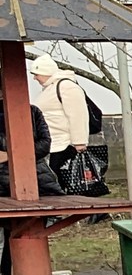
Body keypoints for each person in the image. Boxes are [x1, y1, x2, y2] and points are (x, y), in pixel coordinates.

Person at [29, 55, 91, 190]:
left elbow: (78, 115)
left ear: (45, 72)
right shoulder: (50, 88)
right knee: (58, 182)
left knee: (65, 182)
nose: (34, 78)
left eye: (36, 74)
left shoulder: (66, 87)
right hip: (54, 144)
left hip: (65, 145)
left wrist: (79, 142)